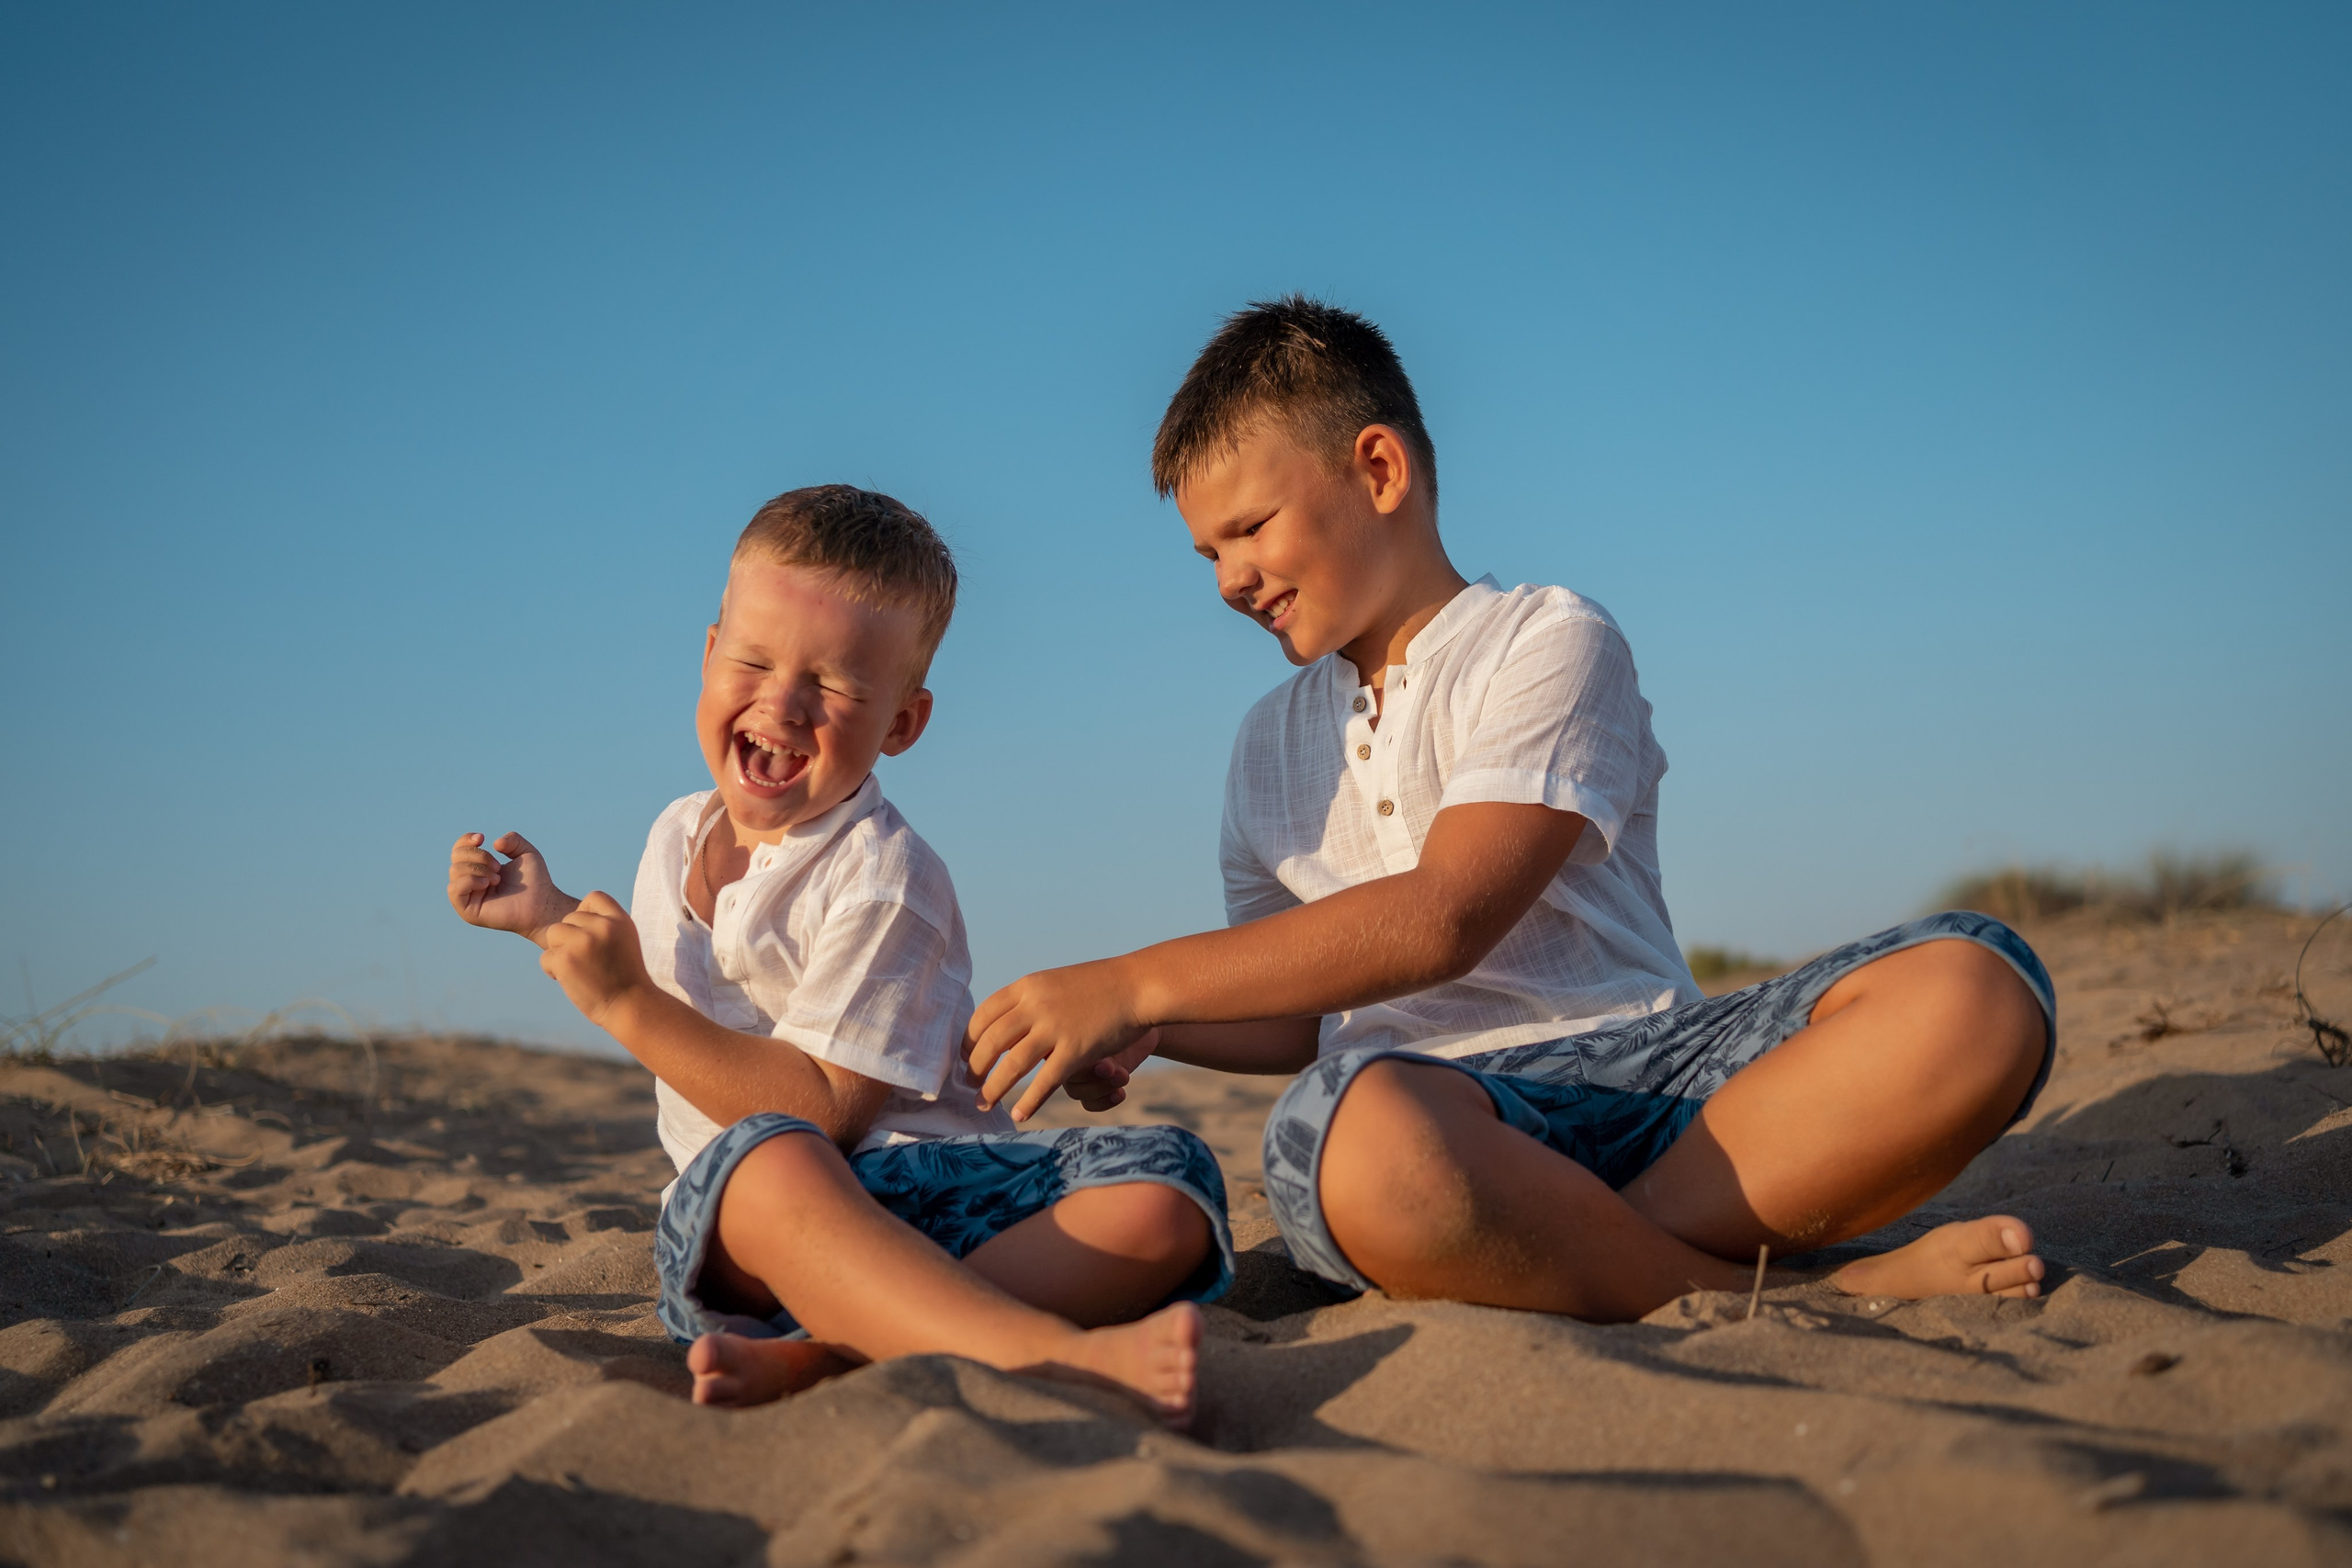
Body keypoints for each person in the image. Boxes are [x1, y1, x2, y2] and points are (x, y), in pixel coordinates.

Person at [964, 299, 2054, 1323]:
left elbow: (1445, 917)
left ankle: (1575, 1246)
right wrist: (1155, 1028)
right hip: (1435, 1116)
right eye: (1209, 553)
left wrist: (1132, 981)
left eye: (1250, 528)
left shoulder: (1546, 636)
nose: (1228, 580)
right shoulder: (1264, 747)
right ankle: (1781, 1291)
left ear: (1379, 469)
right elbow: (1304, 1015)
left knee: (1976, 987)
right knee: (1345, 1134)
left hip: (1659, 1088)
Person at [447, 485, 1228, 1426]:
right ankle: (1042, 1353)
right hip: (755, 1223)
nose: (783, 701)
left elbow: (826, 1104)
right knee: (772, 1157)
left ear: (901, 724)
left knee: (1169, 1186)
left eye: (835, 684)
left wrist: (624, 1007)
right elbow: (671, 1001)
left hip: (929, 1192)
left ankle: (832, 1354)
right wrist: (548, 917)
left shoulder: (886, 872)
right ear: (708, 654)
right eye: (752, 660)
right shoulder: (673, 833)